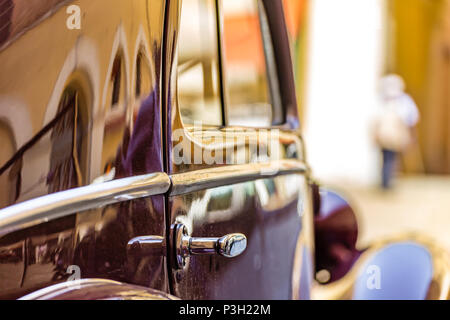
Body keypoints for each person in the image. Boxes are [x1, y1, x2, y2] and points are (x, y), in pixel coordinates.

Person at [373, 74, 420, 189]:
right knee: (389, 157)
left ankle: (387, 181)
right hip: (387, 133)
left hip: (393, 133)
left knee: (389, 157)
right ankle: (386, 181)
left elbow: (410, 118)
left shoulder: (401, 101)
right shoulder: (387, 101)